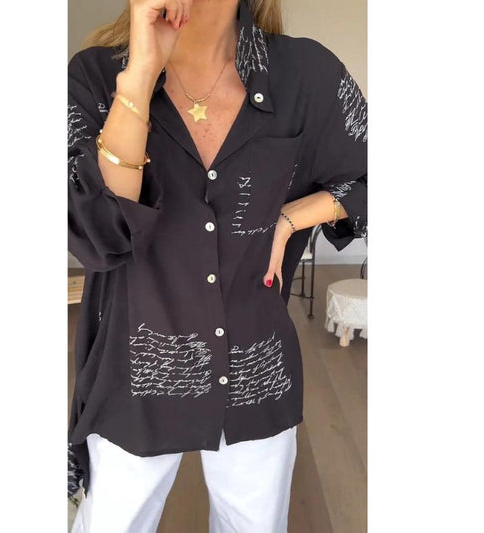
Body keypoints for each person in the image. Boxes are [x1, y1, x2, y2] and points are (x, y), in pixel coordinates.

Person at [67, 0, 367, 530]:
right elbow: (100, 230)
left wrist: (293, 217)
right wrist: (140, 76)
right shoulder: (94, 79)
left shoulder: (306, 75)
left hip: (256, 372)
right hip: (135, 375)